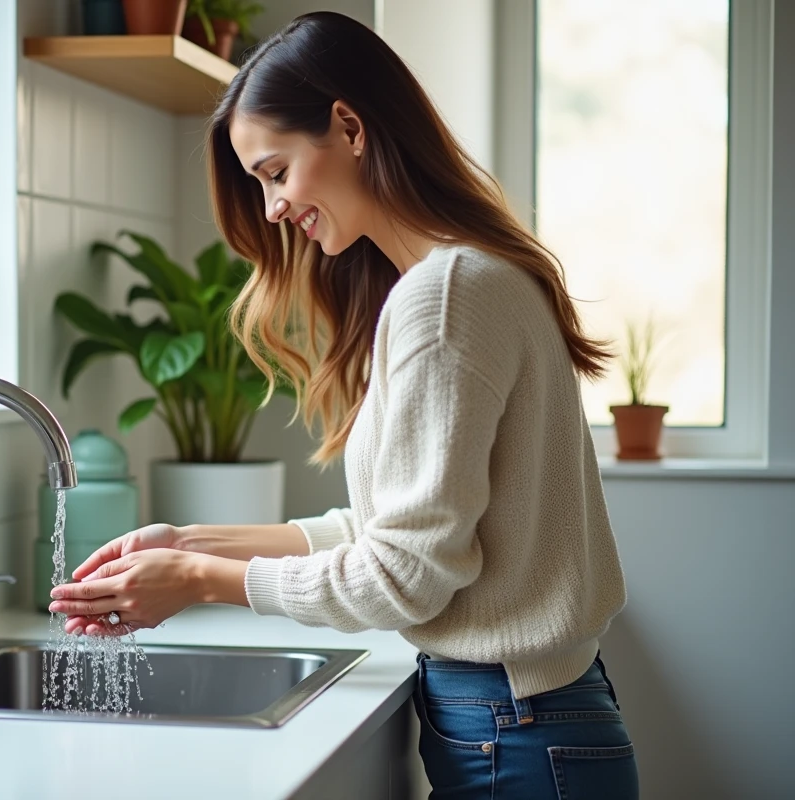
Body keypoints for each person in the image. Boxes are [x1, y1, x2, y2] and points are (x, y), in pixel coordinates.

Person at [48, 11, 638, 798]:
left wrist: (196, 578)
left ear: (349, 127)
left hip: (517, 728)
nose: (272, 211)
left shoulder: (447, 295)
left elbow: (403, 577)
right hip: (523, 722)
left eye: (275, 172)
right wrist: (192, 540)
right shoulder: (461, 279)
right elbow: (392, 532)